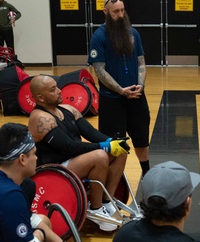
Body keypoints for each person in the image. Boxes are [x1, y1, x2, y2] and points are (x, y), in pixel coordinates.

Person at [27, 74, 129, 232]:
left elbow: (92, 133)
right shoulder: (40, 118)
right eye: (53, 90)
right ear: (40, 97)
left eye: (58, 87)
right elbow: (70, 147)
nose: (60, 91)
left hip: (74, 161)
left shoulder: (68, 109)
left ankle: (107, 200)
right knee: (100, 155)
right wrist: (103, 146)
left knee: (120, 151)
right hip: (55, 169)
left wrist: (112, 142)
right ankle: (96, 208)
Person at [88, 0, 152, 176]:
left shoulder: (133, 34)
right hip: (112, 101)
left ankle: (146, 174)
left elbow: (141, 62)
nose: (121, 15)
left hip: (136, 97)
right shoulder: (99, 37)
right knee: (115, 144)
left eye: (122, 10)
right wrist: (121, 90)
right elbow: (99, 70)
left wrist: (140, 85)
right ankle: (113, 180)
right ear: (105, 12)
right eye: (116, 11)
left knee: (141, 139)